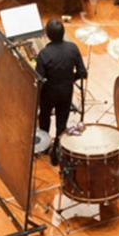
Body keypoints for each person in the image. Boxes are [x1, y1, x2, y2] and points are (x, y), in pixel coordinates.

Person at [35, 18, 87, 166]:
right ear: (63, 33)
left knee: (44, 117)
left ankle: (44, 148)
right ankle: (57, 150)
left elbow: (40, 79)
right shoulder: (73, 48)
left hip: (48, 93)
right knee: (61, 122)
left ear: (47, 35)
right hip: (66, 92)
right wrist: (70, 79)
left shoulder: (44, 54)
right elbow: (82, 72)